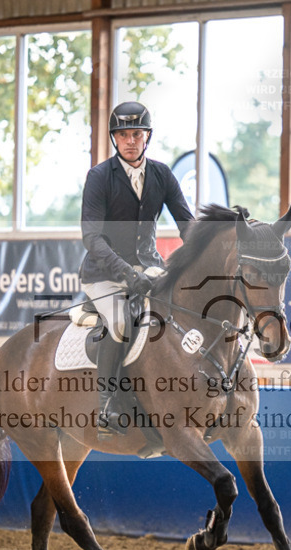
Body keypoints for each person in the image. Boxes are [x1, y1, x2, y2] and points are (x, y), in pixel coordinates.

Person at [80, 101, 194, 436]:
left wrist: (209, 248)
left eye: (137, 134)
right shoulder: (100, 177)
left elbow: (187, 225)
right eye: (123, 134)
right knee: (120, 322)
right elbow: (92, 237)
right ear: (115, 139)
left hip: (150, 270)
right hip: (104, 273)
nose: (130, 140)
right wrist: (126, 273)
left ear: (147, 137)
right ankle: (106, 404)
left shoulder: (162, 175)